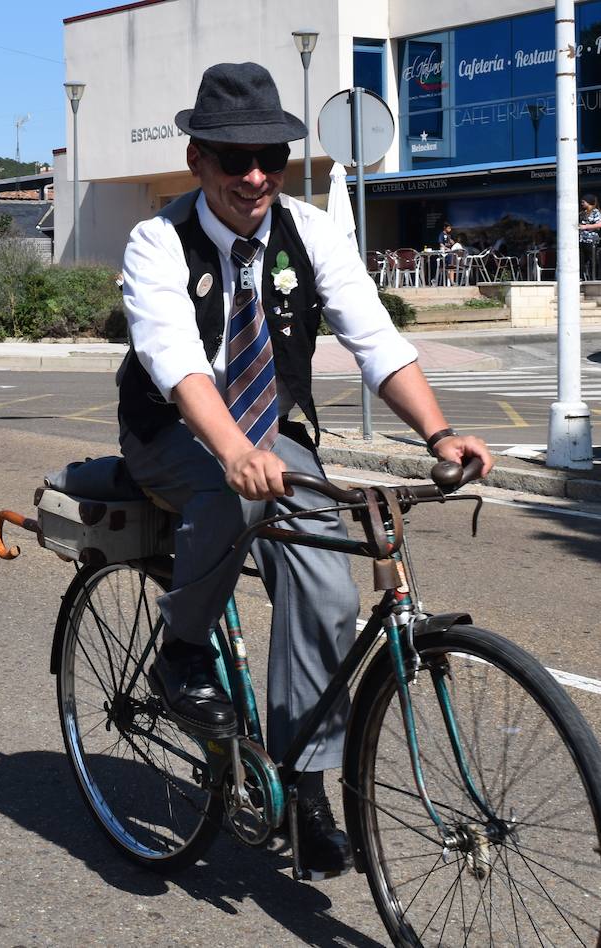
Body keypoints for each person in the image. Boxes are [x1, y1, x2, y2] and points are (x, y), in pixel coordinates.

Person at [118, 62, 494, 878]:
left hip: (269, 431)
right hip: (174, 428)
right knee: (232, 487)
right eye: (233, 158)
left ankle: (305, 785)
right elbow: (177, 362)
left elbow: (376, 342)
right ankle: (181, 652)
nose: (255, 175)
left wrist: (440, 434)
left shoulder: (311, 231)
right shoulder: (159, 240)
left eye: (271, 157)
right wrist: (233, 450)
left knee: (327, 589)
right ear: (198, 160)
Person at [580, 195, 600, 281]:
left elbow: (599, 224)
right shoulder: (582, 213)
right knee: (581, 259)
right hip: (581, 239)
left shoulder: (596, 212)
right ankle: (581, 276)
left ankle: (594, 277)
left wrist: (586, 227)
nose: (582, 204)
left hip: (591, 240)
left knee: (592, 259)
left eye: (583, 202)